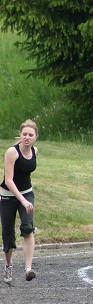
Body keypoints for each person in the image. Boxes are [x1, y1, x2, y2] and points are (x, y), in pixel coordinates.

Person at [1, 120, 39, 283]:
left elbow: (25, 174)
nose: (27, 137)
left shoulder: (35, 151)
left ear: (35, 137)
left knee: (27, 227)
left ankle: (28, 268)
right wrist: (22, 200)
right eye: (24, 134)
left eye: (31, 135)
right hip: (8, 196)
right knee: (8, 236)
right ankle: (8, 265)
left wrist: (26, 199)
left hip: (27, 193)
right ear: (20, 135)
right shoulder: (12, 152)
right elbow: (8, 180)